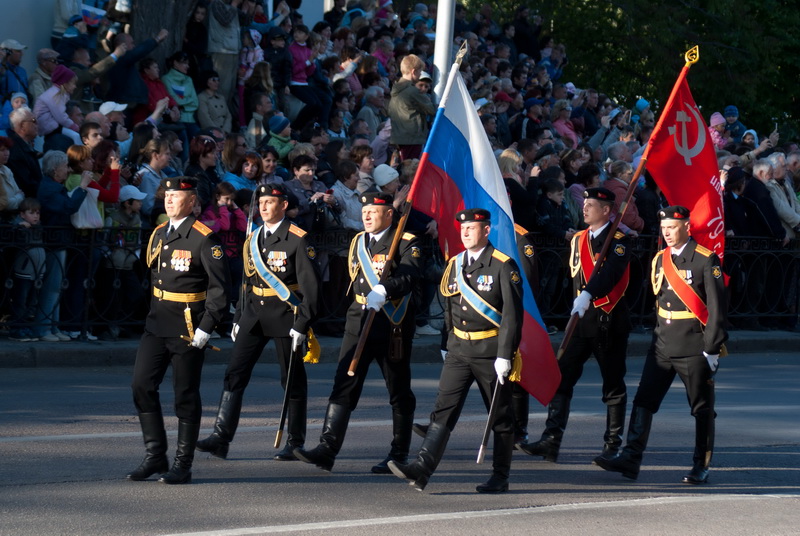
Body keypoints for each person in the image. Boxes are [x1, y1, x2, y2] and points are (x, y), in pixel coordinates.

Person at [388, 208, 523, 493]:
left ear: (486, 231)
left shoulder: (502, 265)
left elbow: (512, 315)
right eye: (463, 228)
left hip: (489, 351)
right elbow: (450, 308)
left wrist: (505, 355)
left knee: (499, 415)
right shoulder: (455, 263)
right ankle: (422, 469)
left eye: (472, 228)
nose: (465, 232)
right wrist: (446, 345)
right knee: (442, 411)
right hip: (459, 349)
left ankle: (501, 476)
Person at [596, 206, 727, 484]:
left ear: (687, 227)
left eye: (673, 227)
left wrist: (712, 347)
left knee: (701, 408)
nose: (667, 233)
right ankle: (631, 458)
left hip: (693, 344)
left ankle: (700, 465)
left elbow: (717, 308)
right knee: (644, 400)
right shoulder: (659, 259)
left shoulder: (705, 260)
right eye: (664, 227)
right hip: (662, 344)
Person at [295, 191, 422, 474]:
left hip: (392, 323)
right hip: (359, 318)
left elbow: (412, 276)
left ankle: (399, 453)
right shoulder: (357, 241)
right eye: (364, 211)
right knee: (344, 381)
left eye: (373, 212)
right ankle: (327, 449)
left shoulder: (405, 241)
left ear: (389, 214)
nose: (366, 215)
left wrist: (385, 288)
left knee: (398, 388)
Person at [197, 183, 320, 461]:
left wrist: (302, 323)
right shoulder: (253, 237)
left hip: (286, 314)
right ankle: (221, 436)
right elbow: (247, 281)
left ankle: (295, 441)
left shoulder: (297, 238)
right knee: (235, 373)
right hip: (254, 314)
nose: (263, 207)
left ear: (284, 206)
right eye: (261, 202)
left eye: (269, 202)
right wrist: (239, 315)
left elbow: (311, 288)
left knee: (291, 380)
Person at [127, 176, 230, 485]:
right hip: (158, 322)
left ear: (192, 202)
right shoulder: (159, 233)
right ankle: (155, 455)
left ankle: (182, 463)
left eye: (177, 195)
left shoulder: (203, 238)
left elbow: (219, 290)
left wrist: (207, 327)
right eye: (167, 195)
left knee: (184, 395)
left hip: (188, 327)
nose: (169, 200)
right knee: (141, 385)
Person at [520, 188, 631, 464]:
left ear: (607, 210)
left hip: (607, 322)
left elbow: (611, 274)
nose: (585, 209)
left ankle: (612, 445)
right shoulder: (579, 239)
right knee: (561, 378)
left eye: (591, 205)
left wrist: (588, 294)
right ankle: (551, 440)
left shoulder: (619, 241)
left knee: (612, 386)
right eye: (585, 204)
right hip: (580, 322)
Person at [387, 54, 435, 160]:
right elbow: (432, 110)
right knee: (410, 168)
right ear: (413, 72)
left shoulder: (396, 88)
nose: (419, 76)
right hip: (412, 138)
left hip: (400, 137)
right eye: (419, 72)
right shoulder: (413, 91)